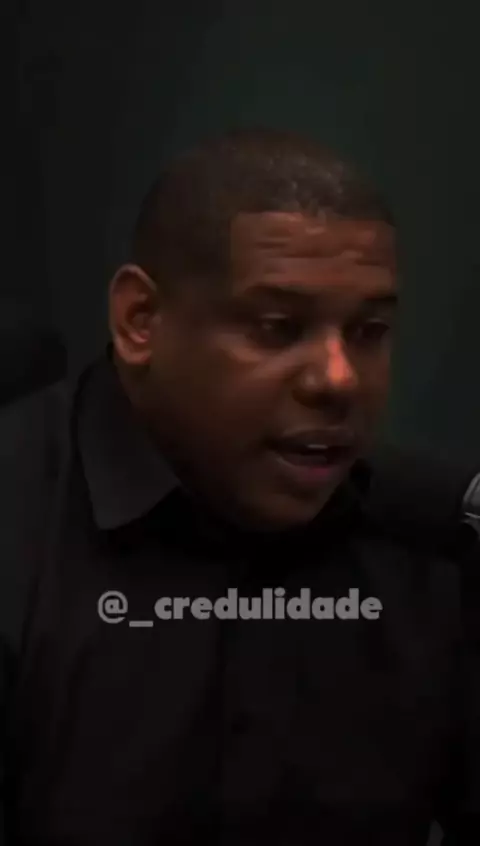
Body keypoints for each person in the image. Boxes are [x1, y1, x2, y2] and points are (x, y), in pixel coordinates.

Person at [0, 128, 478, 845]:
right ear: (140, 320)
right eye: (278, 327)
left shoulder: (438, 543)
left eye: (370, 331)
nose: (339, 378)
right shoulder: (18, 526)